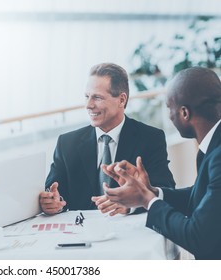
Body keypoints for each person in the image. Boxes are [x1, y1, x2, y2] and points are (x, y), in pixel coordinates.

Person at [102, 67, 221, 259]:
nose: (169, 116)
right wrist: (151, 192)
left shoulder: (218, 156)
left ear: (184, 113)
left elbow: (199, 238)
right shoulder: (214, 145)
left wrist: (147, 200)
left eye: (168, 107)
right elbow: (205, 197)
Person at [40, 63, 175, 215]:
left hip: (128, 231)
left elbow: (166, 190)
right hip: (80, 232)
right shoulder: (67, 143)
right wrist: (52, 202)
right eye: (87, 97)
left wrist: (132, 205)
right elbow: (53, 193)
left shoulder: (150, 138)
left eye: (97, 97)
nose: (89, 105)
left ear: (122, 100)